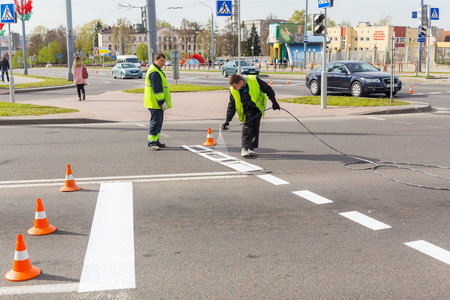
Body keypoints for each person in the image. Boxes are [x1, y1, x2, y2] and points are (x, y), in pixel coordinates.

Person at [221, 74, 280, 157]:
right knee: (247, 127)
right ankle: (245, 148)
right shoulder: (233, 90)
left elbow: (268, 89)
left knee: (255, 127)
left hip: (257, 107)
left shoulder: (254, 80)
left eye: (235, 86)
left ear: (241, 82)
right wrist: (227, 120)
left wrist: (274, 102)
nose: (234, 88)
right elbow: (232, 105)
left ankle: (251, 148)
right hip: (246, 109)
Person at [144, 52, 172, 151]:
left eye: (164, 61)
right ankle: (151, 143)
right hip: (155, 103)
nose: (163, 63)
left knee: (158, 122)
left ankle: (156, 140)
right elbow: (157, 90)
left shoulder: (156, 70)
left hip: (155, 102)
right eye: (161, 61)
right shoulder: (154, 72)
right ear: (156, 60)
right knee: (155, 122)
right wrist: (162, 102)